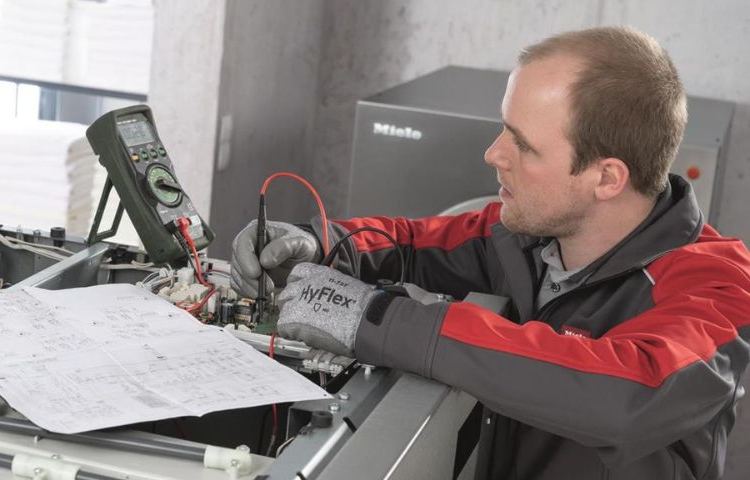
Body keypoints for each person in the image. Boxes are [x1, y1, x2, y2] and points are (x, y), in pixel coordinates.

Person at [230, 26, 750, 479]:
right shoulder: (527, 234)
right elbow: (410, 243)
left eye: (523, 144)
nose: (493, 153)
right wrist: (319, 243)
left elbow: (628, 394)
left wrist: (376, 319)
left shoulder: (719, 286)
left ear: (607, 178)